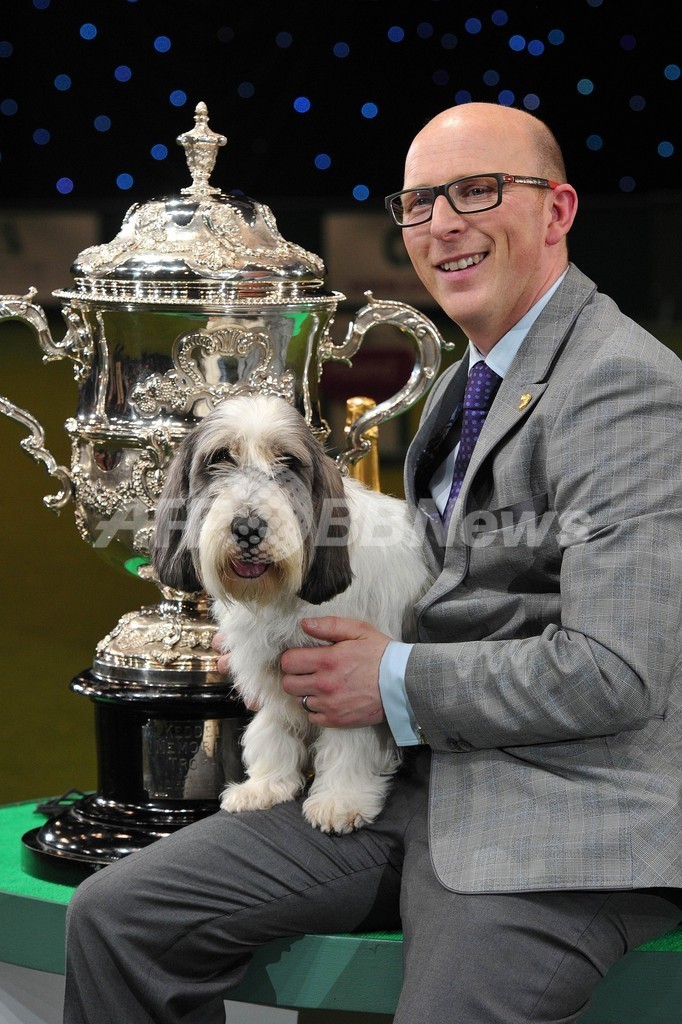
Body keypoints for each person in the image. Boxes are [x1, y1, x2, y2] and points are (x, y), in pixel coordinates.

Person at [63, 102, 682, 1024]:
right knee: (117, 917)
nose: (443, 224)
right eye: (421, 201)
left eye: (479, 191)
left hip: (563, 816)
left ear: (557, 211)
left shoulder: (624, 386)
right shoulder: (467, 379)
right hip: (415, 775)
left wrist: (388, 678)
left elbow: (617, 674)